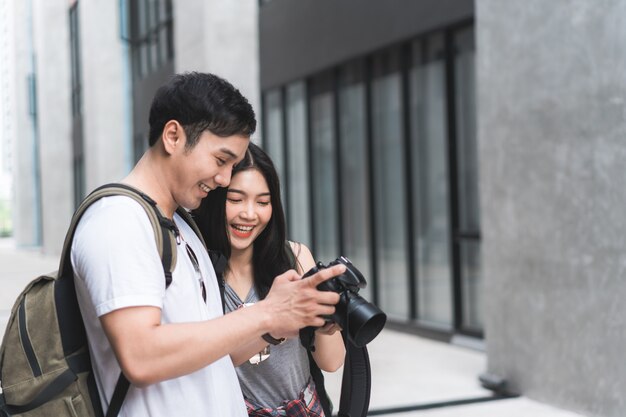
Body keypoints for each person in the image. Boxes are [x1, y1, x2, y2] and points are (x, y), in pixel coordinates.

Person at [70, 72, 344, 417]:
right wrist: (268, 312)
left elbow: (213, 353)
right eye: (221, 160)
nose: (224, 179)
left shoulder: (181, 227)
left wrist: (276, 325)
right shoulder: (118, 221)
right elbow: (142, 356)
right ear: (173, 136)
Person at [193, 143, 345, 416]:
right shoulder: (198, 270)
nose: (249, 214)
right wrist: (271, 327)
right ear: (215, 200)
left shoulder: (295, 257)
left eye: (262, 202)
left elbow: (332, 362)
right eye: (236, 199)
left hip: (305, 409)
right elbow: (205, 366)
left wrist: (324, 328)